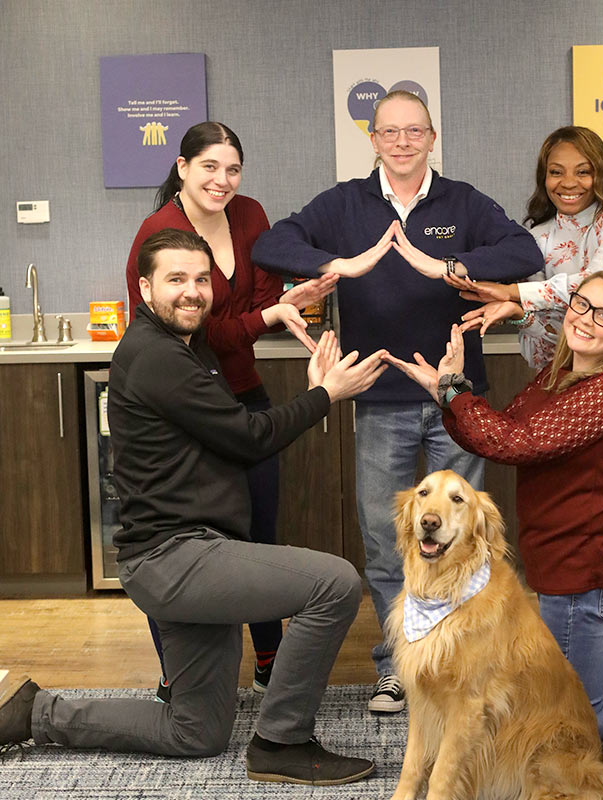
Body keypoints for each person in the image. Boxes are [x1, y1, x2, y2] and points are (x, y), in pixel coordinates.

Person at [0, 228, 384, 785]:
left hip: (184, 553)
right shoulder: (157, 356)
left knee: (195, 732)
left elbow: (232, 412)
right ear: (144, 287)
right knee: (337, 583)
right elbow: (247, 437)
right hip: (175, 558)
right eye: (176, 279)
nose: (192, 291)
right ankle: (282, 742)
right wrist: (324, 394)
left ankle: (36, 714)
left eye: (201, 279)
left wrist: (282, 323)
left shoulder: (185, 345)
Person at [251, 90, 543, 712]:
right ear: (374, 139)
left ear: (433, 137)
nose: (403, 142)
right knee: (390, 540)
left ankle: (461, 659)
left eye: (415, 131)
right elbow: (273, 244)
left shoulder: (462, 201)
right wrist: (343, 264)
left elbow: (526, 253)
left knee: (464, 538)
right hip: (378, 395)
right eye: (391, 132)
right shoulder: (345, 204)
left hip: (453, 397)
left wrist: (447, 267)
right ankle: (398, 665)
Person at [384, 270, 603, 751]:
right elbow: (498, 429)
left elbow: (513, 442)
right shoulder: (562, 376)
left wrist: (453, 393)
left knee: (573, 721)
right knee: (593, 698)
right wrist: (451, 388)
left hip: (585, 569)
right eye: (582, 304)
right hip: (570, 563)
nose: (586, 319)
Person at [446, 126, 603, 667]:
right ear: (543, 178)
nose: (570, 182)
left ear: (602, 171)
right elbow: (547, 338)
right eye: (556, 171)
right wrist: (519, 311)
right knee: (579, 534)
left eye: (582, 169)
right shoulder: (538, 235)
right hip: (570, 401)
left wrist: (521, 294)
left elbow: (601, 280)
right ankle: (588, 658)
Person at [125, 121, 338, 700]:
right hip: (186, 402)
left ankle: (268, 661)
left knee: (258, 534)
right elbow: (191, 334)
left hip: (241, 389)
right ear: (182, 166)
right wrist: (265, 319)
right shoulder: (159, 233)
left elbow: (267, 295)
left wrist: (289, 304)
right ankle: (178, 678)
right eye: (210, 167)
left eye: (233, 169)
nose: (223, 181)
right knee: (191, 539)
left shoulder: (249, 215)